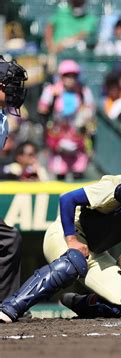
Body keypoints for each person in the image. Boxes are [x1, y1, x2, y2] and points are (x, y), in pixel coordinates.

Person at [0, 147, 121, 323]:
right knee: (73, 262)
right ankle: (11, 308)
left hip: (96, 253)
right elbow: (68, 199)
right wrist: (71, 240)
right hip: (67, 235)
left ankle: (82, 303)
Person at [0, 56, 28, 303]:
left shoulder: (3, 120)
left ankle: (6, 306)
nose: (14, 91)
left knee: (10, 241)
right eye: (9, 85)